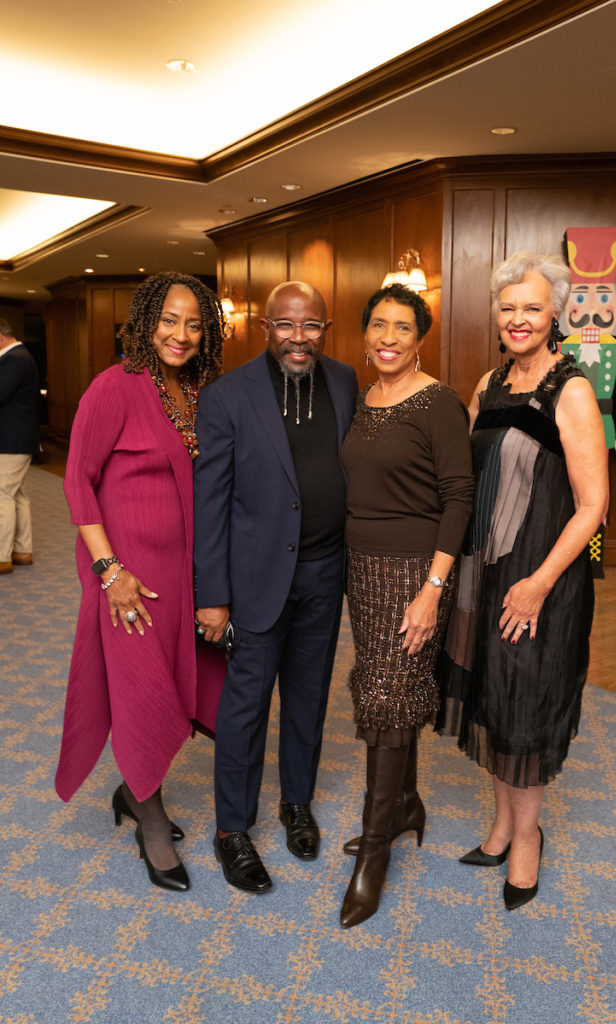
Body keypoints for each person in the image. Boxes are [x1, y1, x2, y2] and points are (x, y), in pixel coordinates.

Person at [436, 251, 609, 911]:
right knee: (495, 696)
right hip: (487, 570)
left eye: (531, 308)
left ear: (555, 313)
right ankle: (504, 823)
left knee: (528, 704)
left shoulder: (571, 391)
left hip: (542, 576)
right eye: (508, 307)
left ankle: (527, 837)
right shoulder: (489, 383)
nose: (517, 318)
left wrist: (537, 583)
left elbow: (593, 504)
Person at [56, 272, 227, 892]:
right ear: (146, 320)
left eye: (193, 324)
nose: (180, 334)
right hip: (126, 576)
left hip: (182, 574)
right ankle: (150, 821)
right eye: (169, 320)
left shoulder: (198, 391)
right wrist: (109, 572)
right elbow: (78, 481)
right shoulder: (114, 386)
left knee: (185, 682)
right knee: (139, 691)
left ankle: (133, 790)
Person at [193, 281, 358, 895]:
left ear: (325, 328)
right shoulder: (227, 396)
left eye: (311, 326)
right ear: (265, 327)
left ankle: (297, 805)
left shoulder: (343, 381)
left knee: (310, 698)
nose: (299, 337)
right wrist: (211, 594)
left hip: (324, 572)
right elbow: (209, 505)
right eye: (287, 325)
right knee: (245, 709)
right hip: (255, 580)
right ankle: (232, 831)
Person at [338, 283, 473, 928]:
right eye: (378, 326)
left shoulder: (439, 402)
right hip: (360, 570)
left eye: (402, 328)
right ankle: (407, 804)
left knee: (389, 694)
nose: (387, 338)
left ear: (420, 340)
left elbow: (459, 499)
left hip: (416, 573)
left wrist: (432, 589)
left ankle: (373, 854)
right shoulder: (362, 401)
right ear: (365, 334)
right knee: (386, 683)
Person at [0, 317, 40, 575]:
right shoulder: (22, 356)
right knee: (18, 495)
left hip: (10, 440)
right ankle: (22, 551)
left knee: (2, 494)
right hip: (18, 439)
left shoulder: (14, 359)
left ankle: (2, 556)